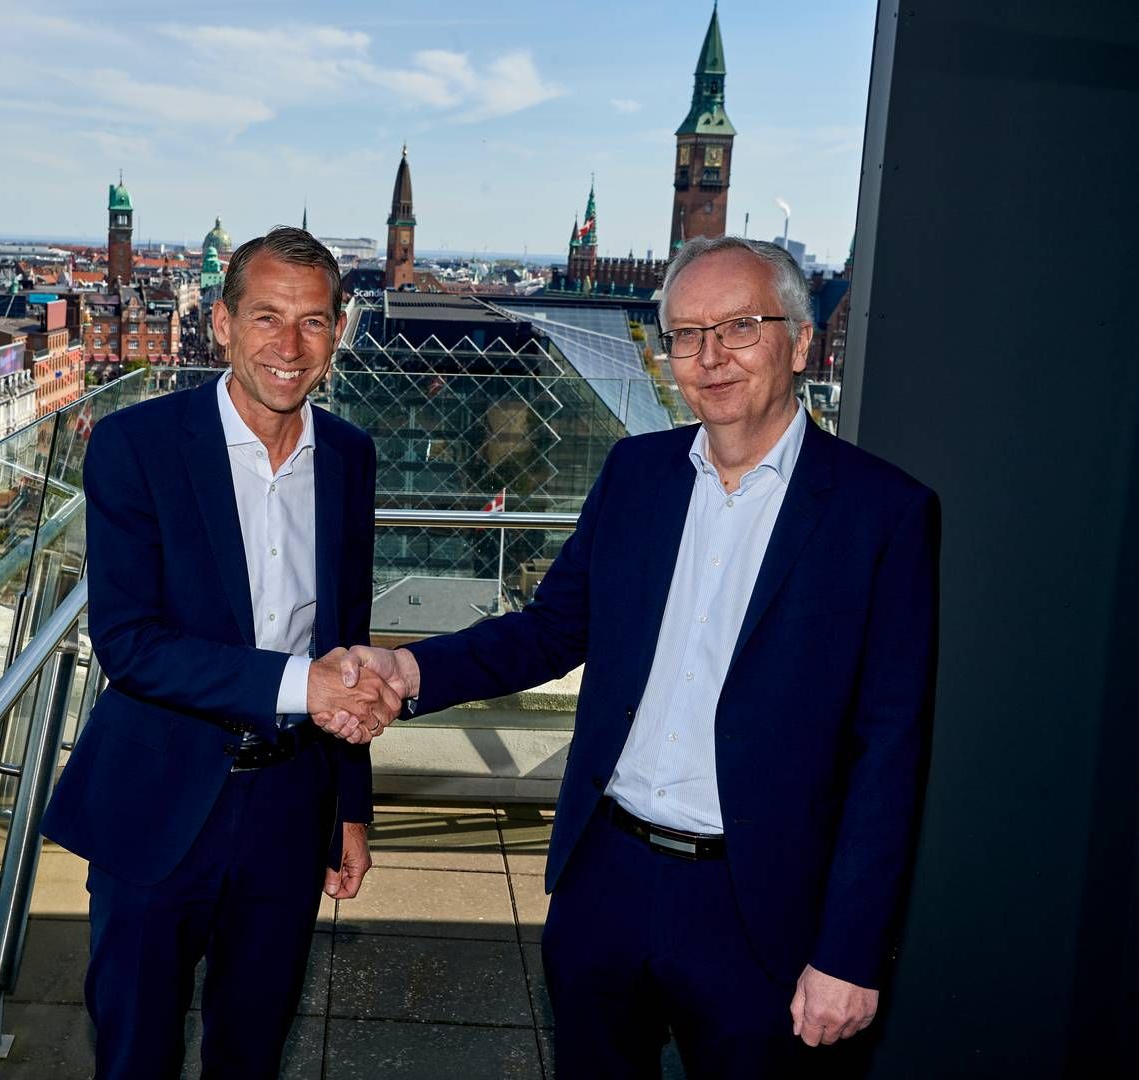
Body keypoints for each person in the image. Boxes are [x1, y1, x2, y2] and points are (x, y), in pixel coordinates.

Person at [338, 236, 940, 1077]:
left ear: (800, 344)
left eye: (739, 326)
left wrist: (850, 952)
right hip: (606, 881)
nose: (709, 356)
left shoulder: (885, 515)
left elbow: (891, 751)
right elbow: (552, 630)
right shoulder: (636, 472)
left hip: (760, 904)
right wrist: (412, 674)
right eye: (687, 334)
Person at [40, 227, 399, 1079]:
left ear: (340, 331)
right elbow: (129, 644)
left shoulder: (349, 457)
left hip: (288, 805)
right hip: (159, 799)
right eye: (267, 318)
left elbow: (344, 639)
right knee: (136, 1057)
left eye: (313, 322)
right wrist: (297, 685)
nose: (290, 345)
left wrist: (350, 804)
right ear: (222, 325)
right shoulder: (138, 447)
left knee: (253, 1050)